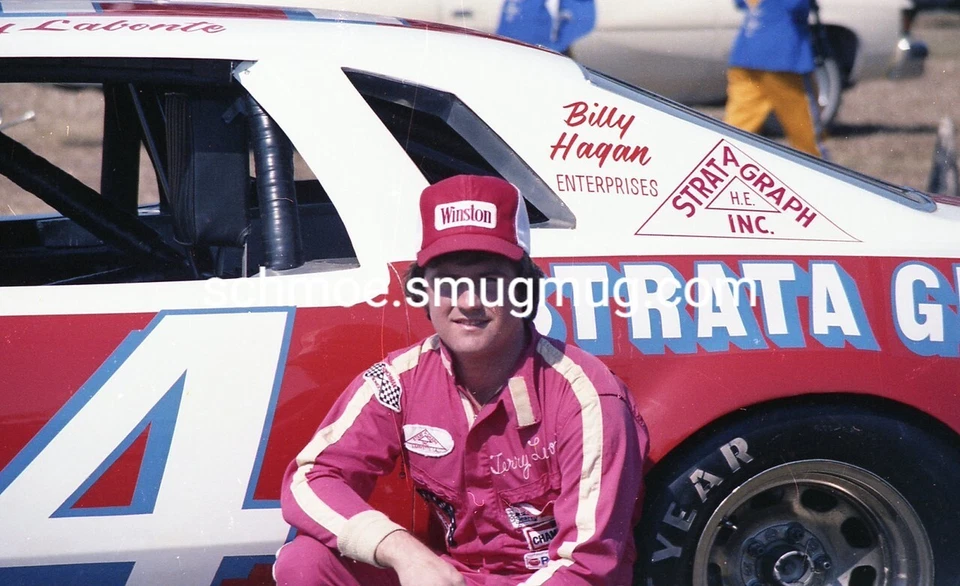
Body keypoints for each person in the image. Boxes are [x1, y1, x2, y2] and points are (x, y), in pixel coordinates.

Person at [274, 174, 648, 585]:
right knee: (305, 561)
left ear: (524, 289)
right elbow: (309, 479)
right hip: (450, 576)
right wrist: (403, 551)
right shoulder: (397, 381)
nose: (468, 303)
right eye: (448, 283)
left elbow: (589, 569)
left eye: (489, 282)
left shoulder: (586, 395)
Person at [724, 0, 825, 157]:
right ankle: (817, 166)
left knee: (738, 124)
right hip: (783, 56)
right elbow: (796, 5)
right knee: (804, 129)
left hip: (747, 52)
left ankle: (725, 160)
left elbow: (740, 3)